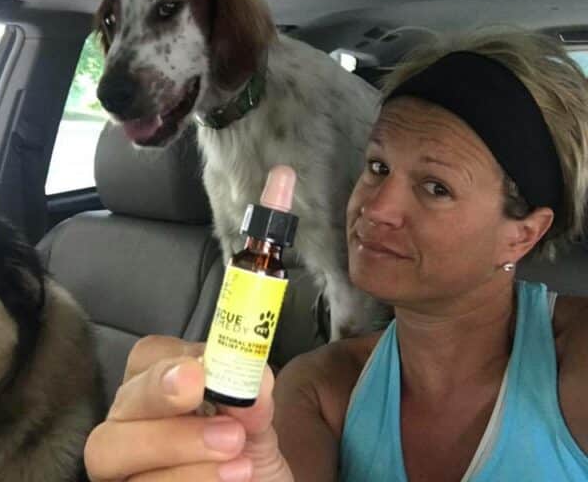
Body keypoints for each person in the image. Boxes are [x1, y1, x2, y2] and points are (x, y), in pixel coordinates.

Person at [83, 30, 588, 482]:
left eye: (435, 187)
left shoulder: (574, 357)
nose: (376, 206)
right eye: (376, 166)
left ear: (522, 235)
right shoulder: (322, 386)